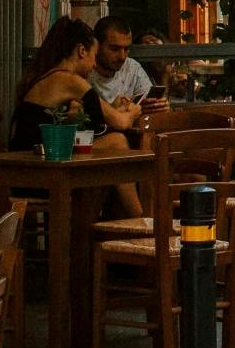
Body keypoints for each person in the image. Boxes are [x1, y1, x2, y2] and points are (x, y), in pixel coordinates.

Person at [10, 17, 143, 214]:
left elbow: (95, 121)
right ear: (82, 51)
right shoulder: (69, 79)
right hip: (38, 171)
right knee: (117, 143)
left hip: (33, 167)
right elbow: (120, 123)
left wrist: (111, 109)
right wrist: (133, 111)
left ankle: (90, 230)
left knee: (104, 163)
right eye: (94, 56)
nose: (93, 65)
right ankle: (139, 219)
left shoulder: (50, 74)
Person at [90, 15, 166, 113]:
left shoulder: (132, 67)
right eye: (114, 49)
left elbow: (149, 106)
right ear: (96, 45)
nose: (122, 56)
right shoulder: (85, 69)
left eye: (126, 49)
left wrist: (158, 107)